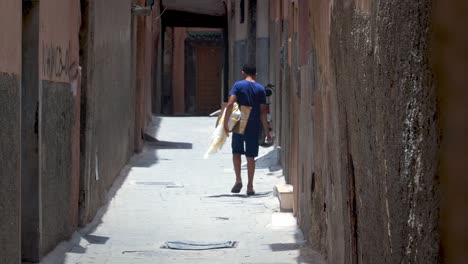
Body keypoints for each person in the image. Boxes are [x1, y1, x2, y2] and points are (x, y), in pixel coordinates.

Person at [224, 64, 272, 196]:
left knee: (236, 152)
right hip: (254, 123)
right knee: (251, 156)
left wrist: (226, 122)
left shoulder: (238, 85)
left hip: (240, 120)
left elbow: (230, 104)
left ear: (243, 72)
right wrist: (267, 133)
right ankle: (250, 186)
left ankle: (238, 179)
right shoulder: (260, 89)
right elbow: (263, 112)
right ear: (255, 74)